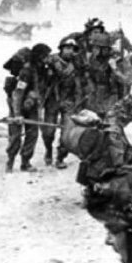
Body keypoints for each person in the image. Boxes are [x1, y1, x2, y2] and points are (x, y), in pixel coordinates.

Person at [4, 44, 50, 172]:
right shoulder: (27, 71)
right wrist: (17, 114)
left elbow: (41, 90)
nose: (47, 59)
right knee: (15, 136)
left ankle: (25, 162)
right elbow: (18, 93)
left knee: (33, 134)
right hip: (17, 104)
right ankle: (10, 162)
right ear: (39, 56)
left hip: (31, 105)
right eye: (45, 56)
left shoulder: (43, 70)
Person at [43, 39, 86, 169]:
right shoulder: (51, 60)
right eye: (67, 48)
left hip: (68, 100)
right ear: (61, 49)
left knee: (67, 132)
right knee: (48, 132)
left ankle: (60, 157)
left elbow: (80, 82)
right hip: (52, 100)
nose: (70, 51)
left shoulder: (76, 64)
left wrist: (79, 101)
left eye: (72, 49)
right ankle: (48, 150)